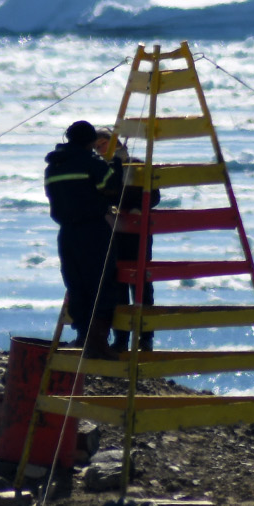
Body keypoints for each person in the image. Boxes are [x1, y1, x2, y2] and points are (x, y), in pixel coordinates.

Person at [45, 119, 124, 358]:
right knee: (102, 284)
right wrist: (117, 164)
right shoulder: (88, 162)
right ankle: (97, 341)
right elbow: (111, 185)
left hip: (66, 233)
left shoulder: (53, 166)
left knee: (76, 284)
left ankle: (82, 336)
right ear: (90, 142)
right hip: (92, 230)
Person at [97, 127, 159, 354]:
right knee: (118, 285)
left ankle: (146, 338)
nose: (102, 150)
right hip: (114, 233)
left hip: (138, 233)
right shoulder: (102, 170)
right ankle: (121, 338)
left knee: (142, 285)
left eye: (104, 144)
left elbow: (153, 196)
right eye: (98, 147)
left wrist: (131, 205)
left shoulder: (136, 163)